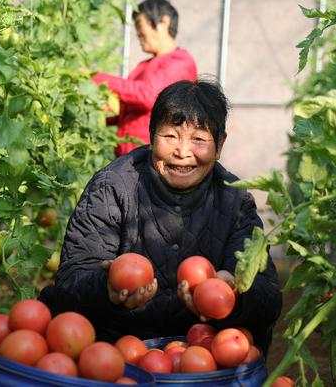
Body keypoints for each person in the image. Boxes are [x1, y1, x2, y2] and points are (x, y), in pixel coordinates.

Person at [41, 79, 282, 356]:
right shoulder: (112, 188)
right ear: (151, 134)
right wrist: (105, 288)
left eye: (199, 139)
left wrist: (232, 295)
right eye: (170, 136)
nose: (182, 152)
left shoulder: (235, 201)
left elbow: (268, 298)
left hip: (202, 349)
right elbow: (72, 277)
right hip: (117, 348)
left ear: (220, 144)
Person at [93, 0, 197, 157]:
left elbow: (148, 95)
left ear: (163, 23)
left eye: (140, 27)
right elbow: (132, 108)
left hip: (152, 156)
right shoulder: (146, 65)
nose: (138, 34)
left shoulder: (180, 62)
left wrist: (97, 78)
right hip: (131, 155)